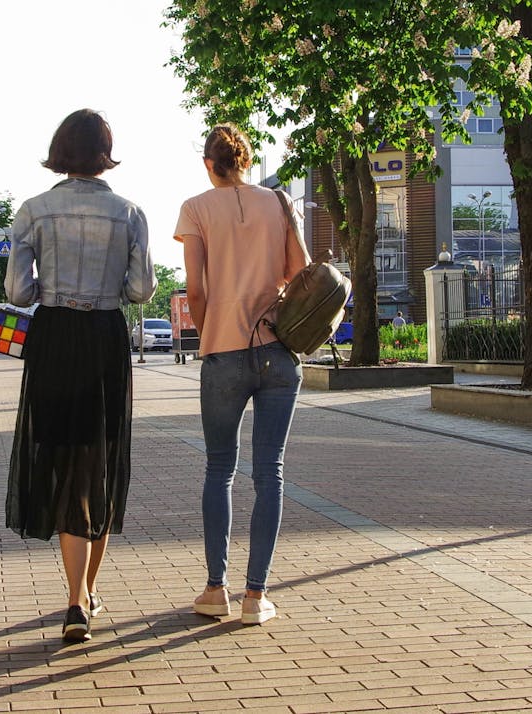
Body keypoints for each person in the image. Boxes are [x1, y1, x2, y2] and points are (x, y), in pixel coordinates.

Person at [4, 109, 155, 644]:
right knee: (100, 462)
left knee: (63, 458)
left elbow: (19, 295)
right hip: (103, 340)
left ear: (61, 150)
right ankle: (85, 594)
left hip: (55, 340)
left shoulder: (33, 211)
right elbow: (140, 291)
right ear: (104, 153)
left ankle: (74, 600)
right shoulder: (129, 212)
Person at [174, 124, 308, 626]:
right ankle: (256, 596)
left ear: (209, 163)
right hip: (278, 349)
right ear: (246, 161)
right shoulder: (277, 202)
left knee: (218, 470)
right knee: (269, 471)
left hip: (224, 352)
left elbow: (196, 288)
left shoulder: (195, 208)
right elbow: (300, 271)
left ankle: (215, 589)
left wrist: (212, 336)